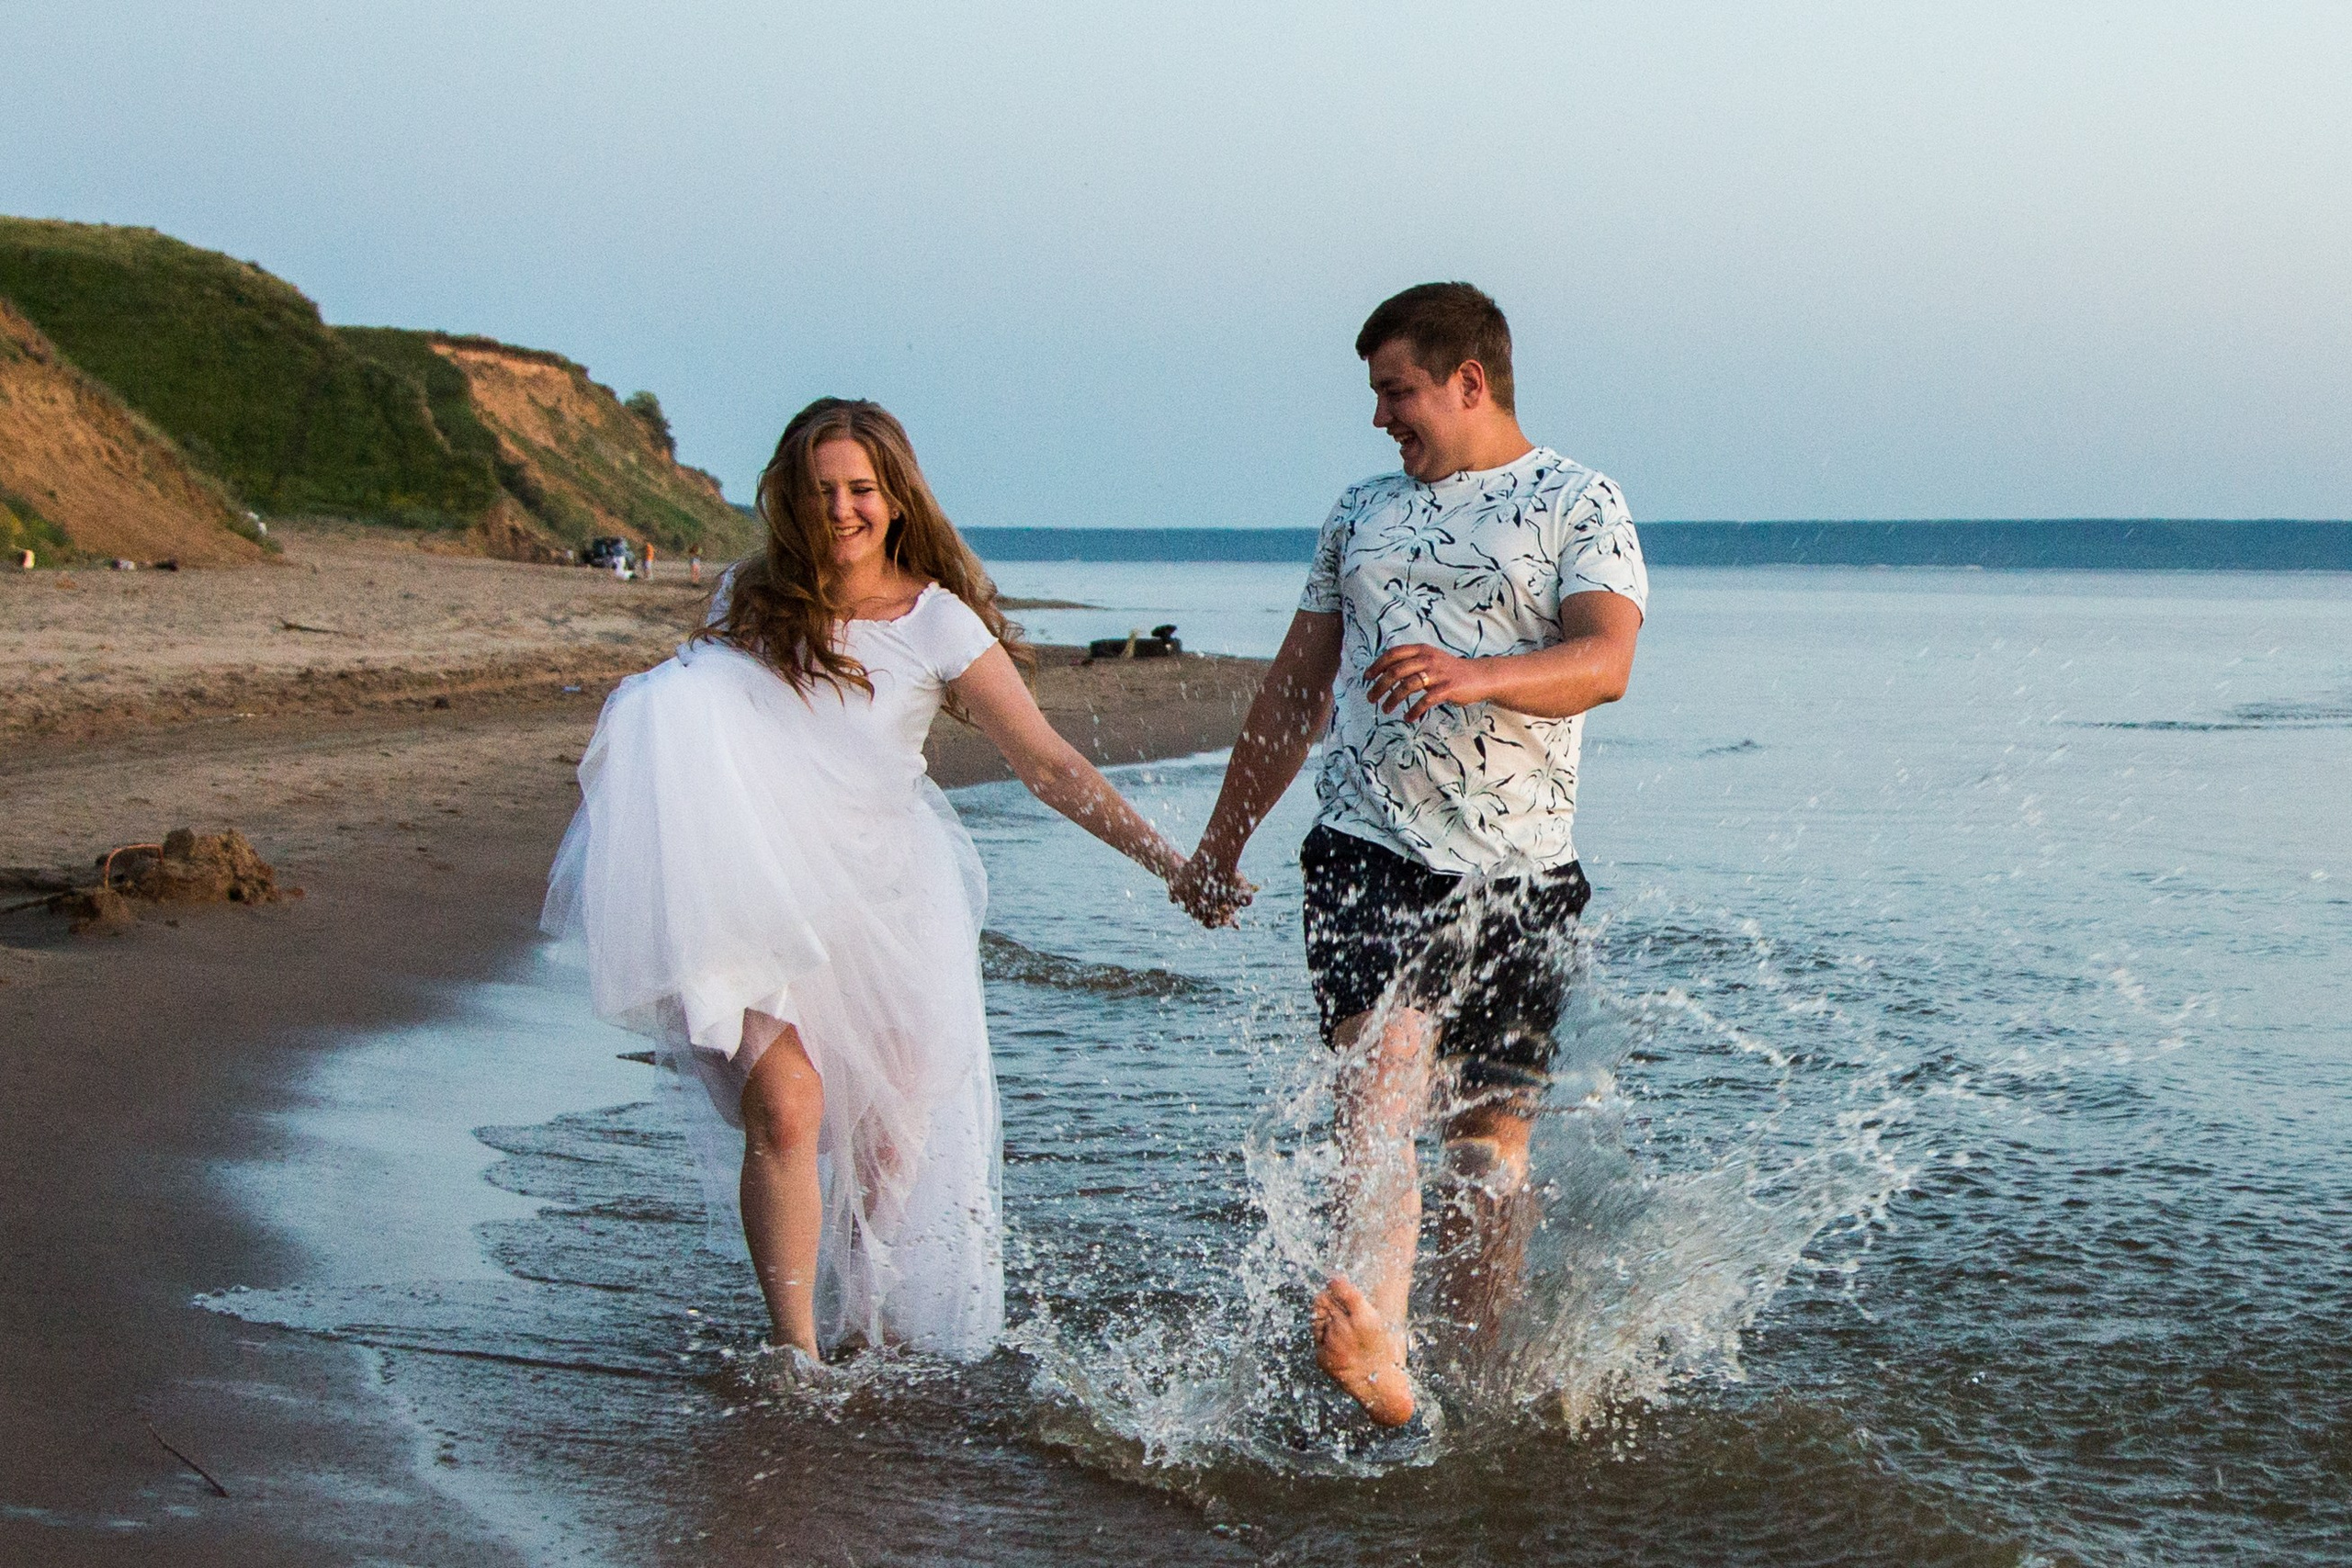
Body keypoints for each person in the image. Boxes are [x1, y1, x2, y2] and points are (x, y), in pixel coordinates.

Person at [546, 397, 1186, 1364]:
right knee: (789, 1106)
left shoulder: (936, 622)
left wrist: (1171, 864)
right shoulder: (746, 600)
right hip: (757, 894)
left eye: (861, 490)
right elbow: (692, 727)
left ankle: (867, 1321)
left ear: (895, 500)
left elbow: (1047, 764)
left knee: (891, 1139)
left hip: (889, 903)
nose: (841, 509)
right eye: (820, 491)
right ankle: (794, 1354)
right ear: (791, 501)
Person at [1170, 283, 1647, 1426]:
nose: (1383, 416)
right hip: (1365, 848)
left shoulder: (1579, 502)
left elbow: (1606, 660)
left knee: (1491, 1144)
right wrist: (1220, 840)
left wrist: (1474, 674)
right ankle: (1377, 1346)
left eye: (1398, 391)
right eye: (1379, 394)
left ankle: (1467, 1387)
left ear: (1468, 382)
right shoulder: (1359, 515)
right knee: (1379, 1081)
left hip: (1523, 873)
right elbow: (1294, 691)